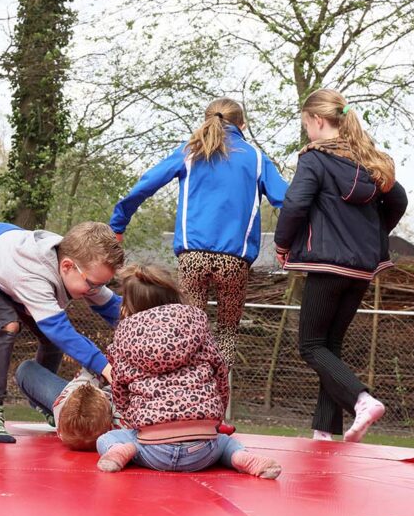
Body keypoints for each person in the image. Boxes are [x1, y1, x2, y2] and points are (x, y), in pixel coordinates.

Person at [110, 98, 287, 367]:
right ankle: (218, 391)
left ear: (206, 120)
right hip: (234, 260)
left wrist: (118, 224)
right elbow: (285, 200)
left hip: (193, 256)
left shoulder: (190, 152)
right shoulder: (256, 159)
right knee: (227, 331)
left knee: (189, 326)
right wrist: (293, 240)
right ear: (243, 125)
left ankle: (187, 385)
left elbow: (146, 185)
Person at [274, 89, 407, 442]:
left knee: (310, 345)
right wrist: (373, 237)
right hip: (362, 269)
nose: (307, 133)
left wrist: (283, 244)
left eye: (307, 125)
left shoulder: (315, 159)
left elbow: (295, 204)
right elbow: (399, 199)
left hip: (328, 265)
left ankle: (362, 400)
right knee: (329, 346)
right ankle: (324, 431)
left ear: (318, 120)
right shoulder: (370, 160)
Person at [95, 264, 280, 479]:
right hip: (203, 451)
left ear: (128, 307)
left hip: (154, 450)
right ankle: (240, 456)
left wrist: (133, 418)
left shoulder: (124, 339)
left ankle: (122, 449)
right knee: (225, 442)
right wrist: (216, 415)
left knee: (108, 439)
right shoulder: (196, 326)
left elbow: (120, 388)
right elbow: (220, 374)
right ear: (174, 296)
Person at [0, 221, 124, 443]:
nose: (95, 291)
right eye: (92, 285)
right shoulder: (32, 276)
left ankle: (41, 401)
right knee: (7, 325)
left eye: (100, 285)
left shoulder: (79, 266)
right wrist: (104, 366)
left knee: (50, 341)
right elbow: (59, 329)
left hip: (4, 259)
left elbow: (113, 307)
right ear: (67, 267)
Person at [15, 362, 127, 451]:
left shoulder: (62, 403)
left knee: (25, 369)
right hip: (112, 399)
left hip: (70, 404)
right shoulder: (122, 422)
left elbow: (93, 366)